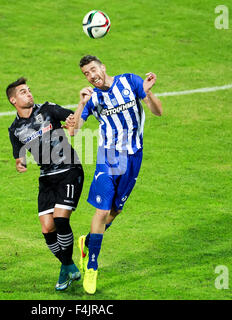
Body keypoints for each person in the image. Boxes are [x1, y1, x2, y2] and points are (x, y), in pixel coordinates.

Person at [70, 55, 163, 294]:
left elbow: (158, 111)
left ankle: (87, 242)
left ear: (103, 67)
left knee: (115, 210)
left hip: (133, 157)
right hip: (108, 157)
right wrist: (81, 104)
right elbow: (73, 131)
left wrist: (149, 92)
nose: (91, 76)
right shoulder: (93, 98)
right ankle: (92, 265)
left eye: (93, 70)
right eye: (86, 74)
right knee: (102, 210)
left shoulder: (129, 82)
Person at [7, 77, 84, 291]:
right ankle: (67, 266)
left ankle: (68, 266)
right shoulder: (14, 129)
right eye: (23, 92)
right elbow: (18, 157)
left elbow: (73, 121)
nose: (29, 93)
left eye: (29, 90)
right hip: (46, 178)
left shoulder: (48, 109)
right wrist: (20, 164)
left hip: (69, 169)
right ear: (13, 100)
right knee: (47, 228)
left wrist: (80, 106)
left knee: (60, 218)